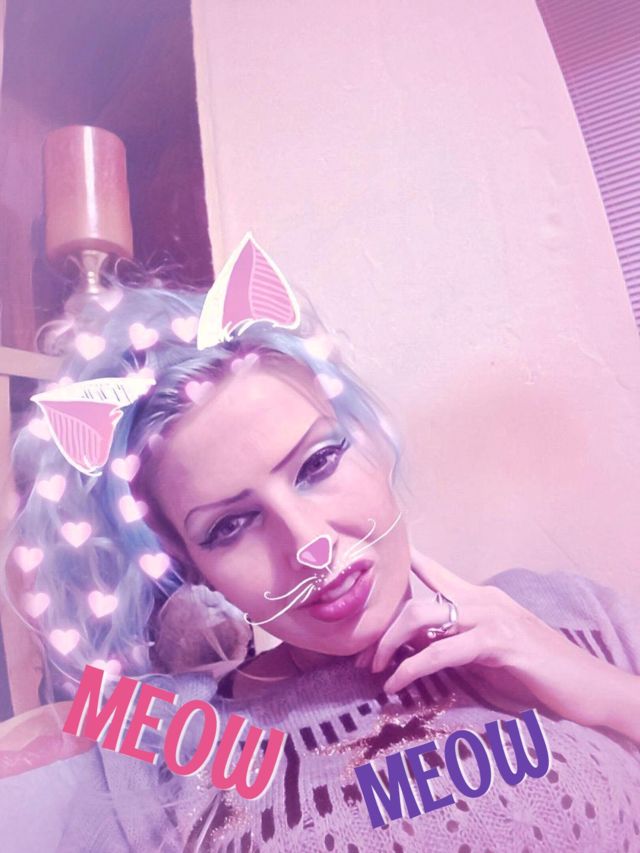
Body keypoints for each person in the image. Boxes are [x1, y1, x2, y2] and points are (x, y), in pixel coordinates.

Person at [1, 236, 639, 853]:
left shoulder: (564, 613)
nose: (308, 546)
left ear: (369, 439)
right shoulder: (165, 741)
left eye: (318, 463)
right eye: (230, 526)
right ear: (188, 564)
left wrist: (604, 690)